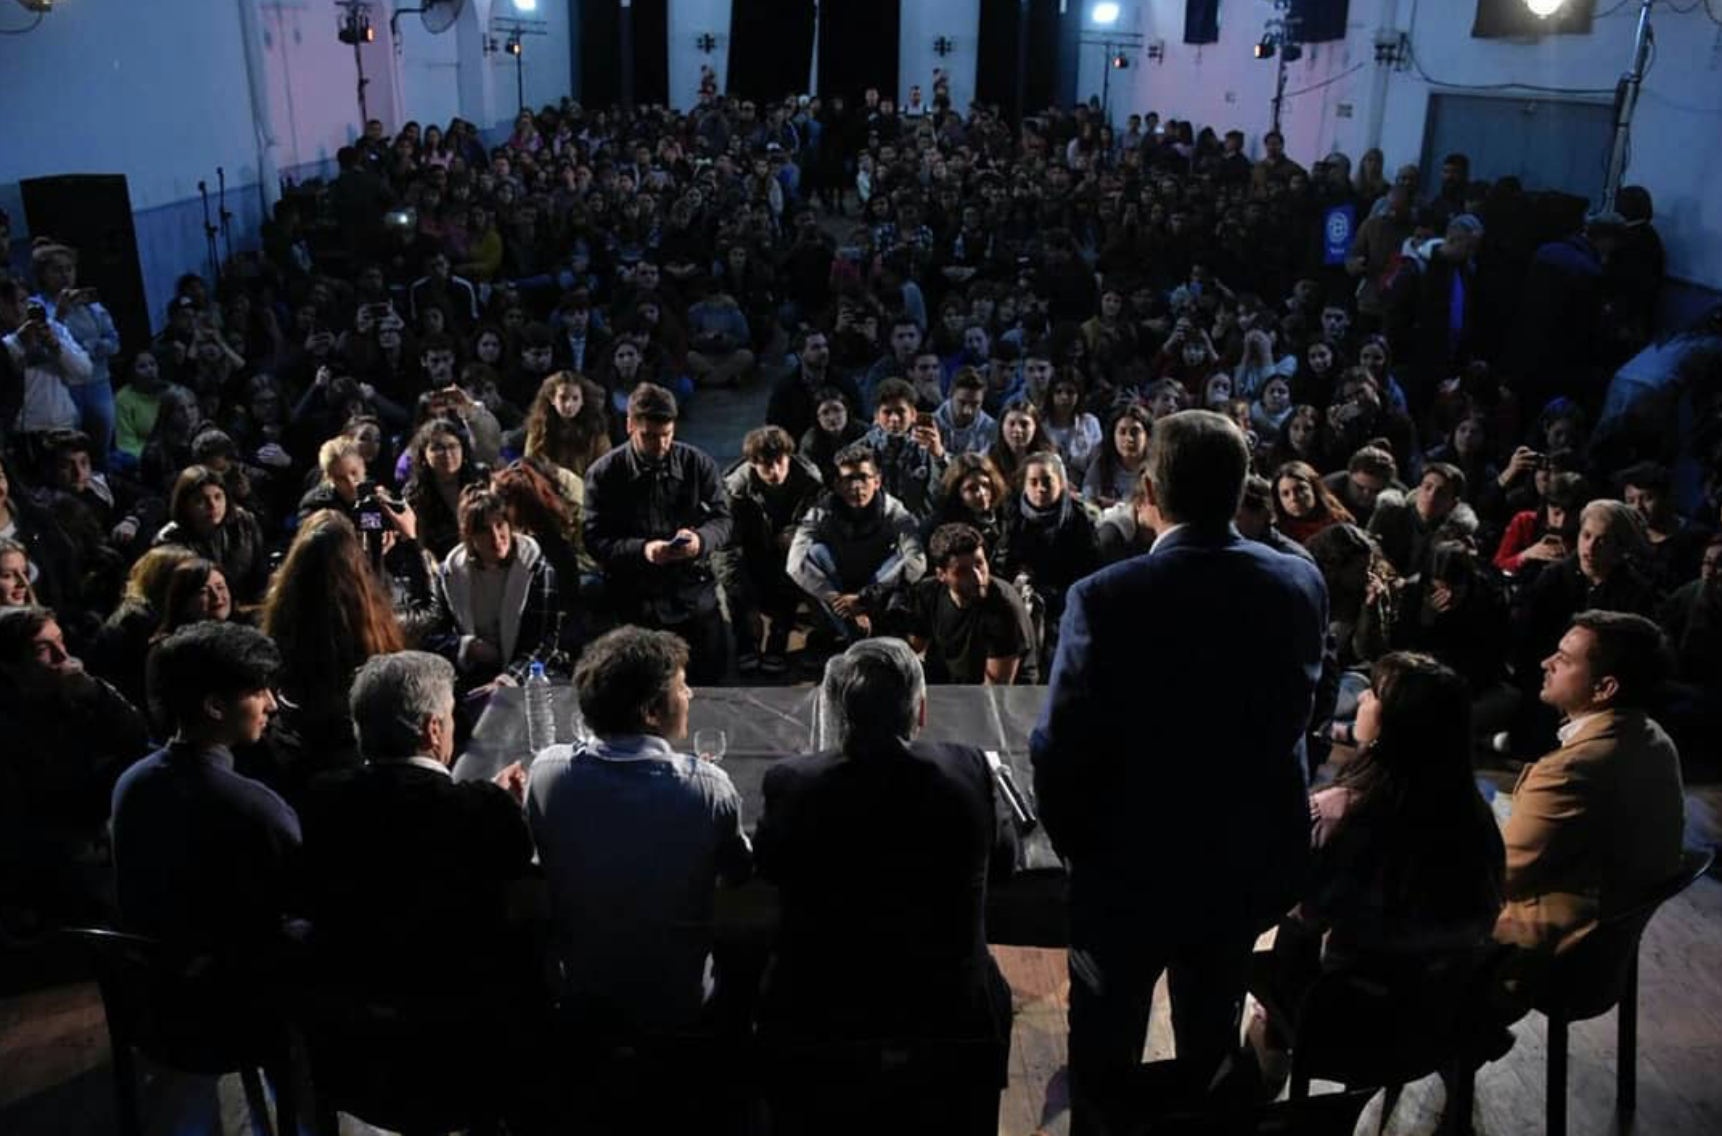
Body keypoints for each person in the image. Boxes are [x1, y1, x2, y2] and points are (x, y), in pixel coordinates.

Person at [1030, 410, 1328, 1132]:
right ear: (1240, 490)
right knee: (1209, 1041)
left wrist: (1083, 853)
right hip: (1242, 871)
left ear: (1151, 489)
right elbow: (1304, 720)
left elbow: (1059, 749)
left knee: (1105, 1055)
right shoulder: (1299, 582)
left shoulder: (1105, 597)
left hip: (1128, 877)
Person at [753, 638, 1017, 1134]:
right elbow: (1004, 861)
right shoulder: (970, 769)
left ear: (837, 712)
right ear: (920, 711)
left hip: (824, 1009)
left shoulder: (792, 781)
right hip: (949, 1012)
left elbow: (767, 865)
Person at [1248, 653, 1505, 1086]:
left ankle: (1256, 1083)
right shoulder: (1476, 816)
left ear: (1395, 722)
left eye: (1374, 693)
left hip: (1345, 1019)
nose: (1363, 697)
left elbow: (1292, 910)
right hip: (1433, 1017)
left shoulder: (1338, 814)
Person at [525, 627, 752, 1036]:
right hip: (678, 999)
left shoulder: (546, 772)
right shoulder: (709, 786)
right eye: (682, 688)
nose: (691, 696)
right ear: (651, 711)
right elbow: (738, 874)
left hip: (580, 990)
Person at [298, 649, 536, 1006]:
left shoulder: (318, 799)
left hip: (350, 1005)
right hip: (459, 1004)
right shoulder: (479, 810)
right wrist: (499, 802)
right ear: (433, 729)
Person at [1497, 611, 1685, 954]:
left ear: (1604, 688)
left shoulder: (1570, 770)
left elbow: (1497, 876)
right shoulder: (1654, 737)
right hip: (1608, 943)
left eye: (1563, 660)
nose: (1545, 663)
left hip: (1548, 947)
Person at [111, 622, 299, 956]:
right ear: (214, 706)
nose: (271, 704)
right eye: (257, 691)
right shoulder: (253, 806)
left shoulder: (131, 782)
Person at [0, 605, 150, 928]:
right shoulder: (9, 723)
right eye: (42, 649)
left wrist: (98, 694)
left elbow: (137, 739)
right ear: (11, 665)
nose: (61, 656)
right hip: (53, 855)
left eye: (61, 642)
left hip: (99, 833)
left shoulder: (78, 695)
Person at [583, 383, 733, 684]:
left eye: (666, 435)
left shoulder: (697, 464)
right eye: (649, 436)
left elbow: (723, 520)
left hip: (692, 590)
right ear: (630, 426)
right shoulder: (603, 474)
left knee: (713, 680)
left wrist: (700, 540)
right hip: (634, 596)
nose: (660, 445)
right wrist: (643, 549)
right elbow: (595, 539)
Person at [788, 443, 927, 643]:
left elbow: (918, 561)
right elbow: (794, 564)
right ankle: (852, 630)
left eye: (863, 477)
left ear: (877, 481)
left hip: (876, 585)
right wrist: (840, 601)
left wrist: (864, 599)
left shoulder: (894, 511)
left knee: (901, 558)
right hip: (838, 584)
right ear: (836, 484)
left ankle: (872, 627)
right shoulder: (820, 511)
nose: (856, 487)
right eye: (848, 479)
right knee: (816, 552)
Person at [429, 487, 560, 690]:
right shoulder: (451, 574)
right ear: (469, 536)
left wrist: (509, 679)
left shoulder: (535, 568)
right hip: (472, 676)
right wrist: (468, 646)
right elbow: (436, 634)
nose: (496, 537)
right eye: (483, 531)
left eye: (500, 525)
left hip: (527, 675)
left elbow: (545, 641)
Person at [716, 426, 823, 676]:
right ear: (753, 464)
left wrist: (798, 533)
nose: (774, 471)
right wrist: (747, 604)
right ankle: (747, 643)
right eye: (765, 465)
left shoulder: (808, 480)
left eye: (779, 462)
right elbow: (726, 551)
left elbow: (820, 523)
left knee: (796, 564)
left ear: (788, 456)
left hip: (786, 552)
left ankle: (779, 639)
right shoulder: (735, 489)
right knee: (735, 588)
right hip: (750, 553)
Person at [907, 522, 1038, 685]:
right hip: (953, 684)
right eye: (963, 571)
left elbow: (996, 690)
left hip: (1006, 698)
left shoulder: (1003, 607)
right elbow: (911, 652)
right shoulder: (929, 592)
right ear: (942, 575)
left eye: (979, 564)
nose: (977, 577)